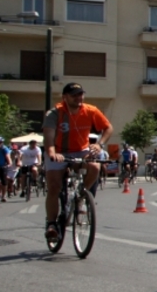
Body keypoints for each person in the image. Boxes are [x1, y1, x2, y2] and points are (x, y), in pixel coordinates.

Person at [42, 83, 113, 241]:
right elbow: (48, 138)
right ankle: (52, 224)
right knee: (54, 187)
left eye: (80, 94)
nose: (78, 98)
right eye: (74, 95)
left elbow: (108, 128)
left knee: (95, 166)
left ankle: (82, 196)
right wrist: (53, 154)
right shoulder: (54, 113)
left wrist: (98, 144)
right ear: (64, 97)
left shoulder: (90, 110)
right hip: (58, 150)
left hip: (80, 150)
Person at [0, 137, 10, 205]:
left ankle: (4, 195)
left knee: (4, 181)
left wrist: (8, 165)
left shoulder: (4, 149)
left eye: (0, 142)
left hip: (2, 166)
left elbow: (9, 160)